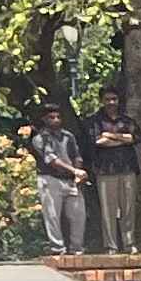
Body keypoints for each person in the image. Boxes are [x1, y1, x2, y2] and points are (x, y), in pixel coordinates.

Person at [84, 87, 141, 254]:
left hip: (127, 169)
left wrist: (111, 136)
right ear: (102, 101)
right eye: (108, 99)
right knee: (108, 210)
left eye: (114, 99)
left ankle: (129, 243)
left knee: (128, 208)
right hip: (105, 170)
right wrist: (123, 139)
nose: (111, 102)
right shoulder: (94, 121)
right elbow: (97, 142)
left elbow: (135, 138)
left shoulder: (127, 121)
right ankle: (111, 245)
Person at [30, 100, 92, 258]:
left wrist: (78, 171)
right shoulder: (40, 138)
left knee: (78, 214)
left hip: (70, 180)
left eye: (58, 117)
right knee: (52, 215)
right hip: (50, 179)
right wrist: (75, 171)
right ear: (44, 119)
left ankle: (77, 248)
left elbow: (76, 155)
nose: (56, 120)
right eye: (51, 117)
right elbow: (52, 160)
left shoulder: (68, 136)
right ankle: (58, 248)